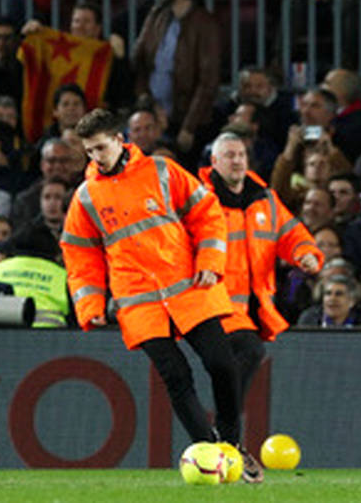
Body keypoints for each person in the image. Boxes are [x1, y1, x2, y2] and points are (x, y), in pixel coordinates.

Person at [59, 109, 261, 482]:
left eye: (101, 148)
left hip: (189, 287)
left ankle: (232, 445)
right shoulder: (86, 197)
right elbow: (79, 255)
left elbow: (206, 213)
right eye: (89, 151)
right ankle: (211, 454)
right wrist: (90, 304)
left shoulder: (162, 171)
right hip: (138, 301)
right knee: (176, 376)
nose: (96, 157)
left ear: (120, 140)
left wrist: (211, 259)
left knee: (222, 364)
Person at [198, 132, 321, 397]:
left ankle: (224, 426)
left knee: (242, 360)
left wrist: (305, 252)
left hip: (254, 309)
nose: (237, 161)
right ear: (214, 161)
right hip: (214, 305)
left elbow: (291, 234)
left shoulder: (266, 201)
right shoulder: (202, 203)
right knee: (249, 351)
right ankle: (226, 421)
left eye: (241, 155)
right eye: (230, 155)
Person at [131, 0, 223, 154]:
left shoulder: (205, 23)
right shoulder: (158, 16)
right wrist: (148, 104)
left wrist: (189, 127)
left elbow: (208, 81)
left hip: (186, 122)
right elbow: (139, 61)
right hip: (154, 116)